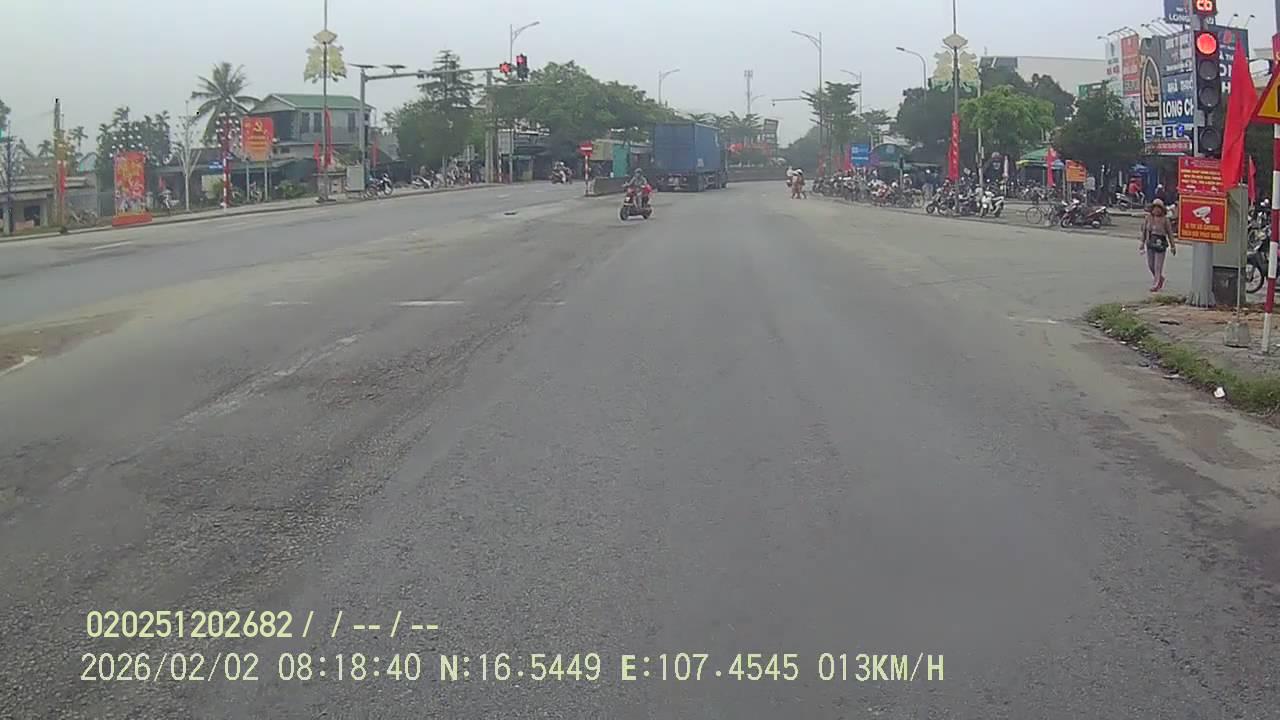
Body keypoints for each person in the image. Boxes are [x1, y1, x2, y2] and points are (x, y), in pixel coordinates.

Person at [1141, 198, 1176, 292]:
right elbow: (1144, 231)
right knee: (1151, 265)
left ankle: (1156, 283)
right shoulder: (1148, 218)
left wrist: (1173, 246)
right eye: (1155, 208)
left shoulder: (1165, 220)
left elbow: (1170, 234)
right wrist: (1142, 243)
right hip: (1150, 243)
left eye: (1158, 208)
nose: (1156, 210)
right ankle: (1160, 278)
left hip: (1160, 244)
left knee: (1158, 266)